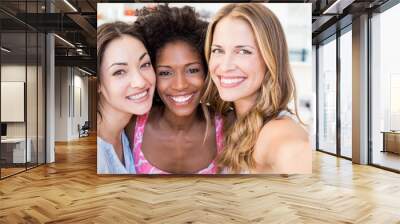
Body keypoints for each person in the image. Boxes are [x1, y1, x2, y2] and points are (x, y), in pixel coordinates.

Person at [202, 3, 312, 174]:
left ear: (271, 59)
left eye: (244, 51)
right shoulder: (227, 121)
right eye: (218, 50)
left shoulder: (279, 132)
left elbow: (294, 152)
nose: (225, 66)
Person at [130, 5, 223, 174]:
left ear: (206, 71)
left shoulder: (228, 127)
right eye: (165, 73)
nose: (180, 85)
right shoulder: (131, 126)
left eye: (192, 70)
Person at [97, 22, 156, 174]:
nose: (140, 82)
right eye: (119, 72)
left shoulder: (126, 132)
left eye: (145, 64)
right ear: (98, 83)